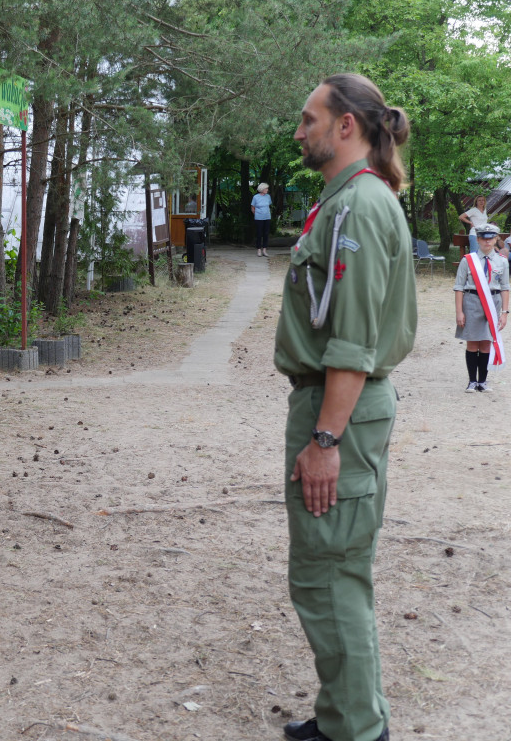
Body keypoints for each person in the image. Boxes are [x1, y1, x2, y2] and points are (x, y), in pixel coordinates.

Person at [275, 74, 416, 741]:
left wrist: (325, 441)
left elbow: (353, 343)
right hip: (342, 408)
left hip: (340, 412)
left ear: (346, 127)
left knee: (328, 576)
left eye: (309, 120)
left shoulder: (357, 208)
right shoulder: (350, 202)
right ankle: (344, 720)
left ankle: (357, 732)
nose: (299, 131)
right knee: (336, 572)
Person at [453, 226, 509, 392]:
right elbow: (459, 287)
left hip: (493, 303)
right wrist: (459, 311)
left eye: (490, 238)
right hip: (472, 302)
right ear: (477, 239)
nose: (487, 241)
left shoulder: (502, 261)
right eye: (483, 237)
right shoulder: (467, 260)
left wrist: (505, 313)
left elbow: (505, 287)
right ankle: (472, 381)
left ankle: (482, 382)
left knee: (486, 343)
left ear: (496, 239)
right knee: (472, 342)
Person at [251, 182, 272, 257]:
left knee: (266, 234)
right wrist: (257, 214)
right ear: (262, 189)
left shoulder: (268, 196)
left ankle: (264, 250)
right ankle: (259, 250)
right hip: (258, 218)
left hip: (267, 217)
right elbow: (253, 208)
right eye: (266, 188)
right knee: (259, 234)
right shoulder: (255, 197)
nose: (267, 190)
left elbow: (268, 205)